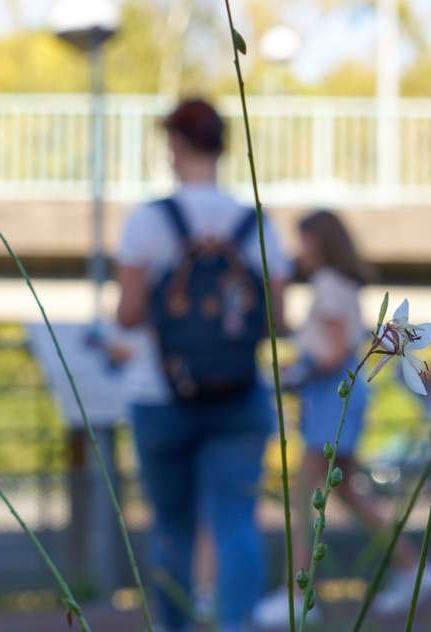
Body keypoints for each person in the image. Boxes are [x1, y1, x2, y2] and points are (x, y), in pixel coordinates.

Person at [115, 98, 291, 632]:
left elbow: (127, 315)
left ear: (175, 144)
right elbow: (278, 320)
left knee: (172, 528)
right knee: (237, 521)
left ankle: (175, 626)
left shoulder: (148, 221)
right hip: (240, 396)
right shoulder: (255, 223)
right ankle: (236, 626)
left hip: (161, 396)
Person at [253, 210, 431, 626]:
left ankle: (298, 595)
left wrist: (297, 373)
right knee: (347, 492)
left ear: (319, 242)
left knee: (305, 496)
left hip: (331, 398)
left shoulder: (328, 284)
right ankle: (415, 569)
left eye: (302, 240)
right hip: (335, 396)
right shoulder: (339, 285)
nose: (296, 249)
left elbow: (337, 352)